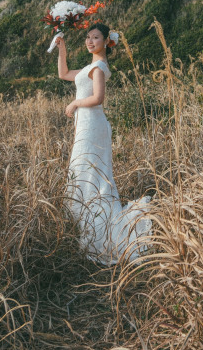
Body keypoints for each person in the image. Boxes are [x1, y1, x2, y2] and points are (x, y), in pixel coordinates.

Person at [54, 23, 151, 264]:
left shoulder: (98, 68)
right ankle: (81, 222)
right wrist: (61, 47)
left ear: (106, 41)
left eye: (95, 37)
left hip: (93, 125)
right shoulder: (89, 67)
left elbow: (98, 98)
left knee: (90, 170)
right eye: (88, 37)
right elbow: (63, 74)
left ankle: (97, 227)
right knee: (81, 169)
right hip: (86, 124)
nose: (90, 41)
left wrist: (75, 103)